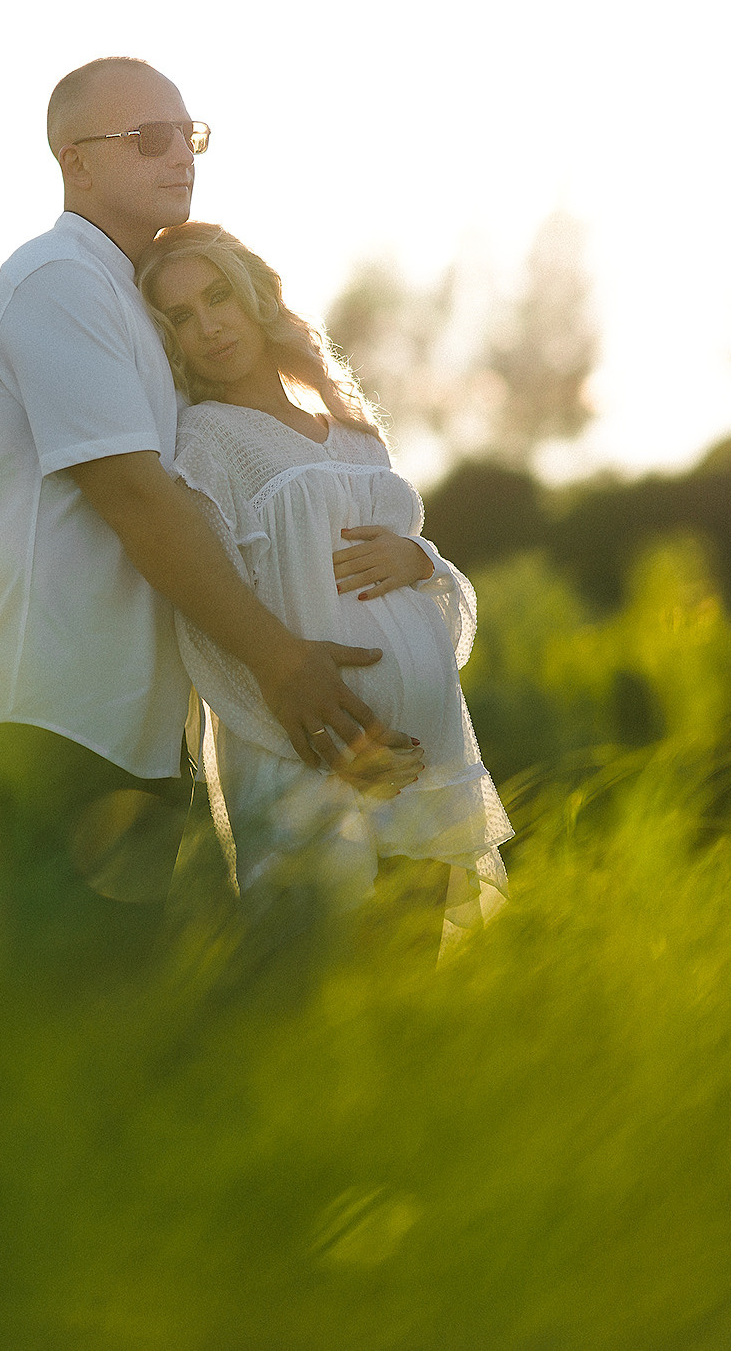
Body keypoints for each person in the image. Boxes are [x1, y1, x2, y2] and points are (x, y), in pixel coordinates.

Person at [0, 57, 417, 976]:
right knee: (35, 1039)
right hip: (55, 718)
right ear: (75, 162)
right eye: (150, 137)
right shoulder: (57, 282)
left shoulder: (134, 295)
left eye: (188, 132)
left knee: (113, 1041)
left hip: (136, 725)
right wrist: (285, 668)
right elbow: (134, 498)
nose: (181, 155)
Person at [137, 221, 514, 958]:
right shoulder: (206, 442)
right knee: (329, 996)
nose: (208, 326)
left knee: (415, 998)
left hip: (424, 764)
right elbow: (206, 620)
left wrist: (420, 559)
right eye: (180, 317)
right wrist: (322, 742)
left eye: (219, 297)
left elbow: (429, 593)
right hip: (318, 768)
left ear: (257, 301)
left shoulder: (350, 428)